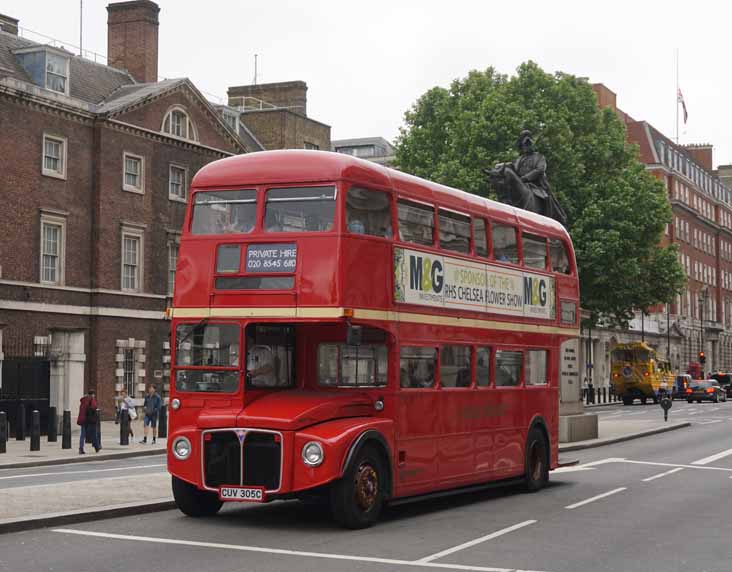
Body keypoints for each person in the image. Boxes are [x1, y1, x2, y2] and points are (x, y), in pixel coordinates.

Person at [77, 389, 101, 454]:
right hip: (90, 420)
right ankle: (96, 447)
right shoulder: (91, 399)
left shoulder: (83, 400)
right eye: (94, 394)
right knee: (93, 433)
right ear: (92, 394)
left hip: (83, 419)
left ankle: (81, 448)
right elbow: (94, 407)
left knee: (82, 434)